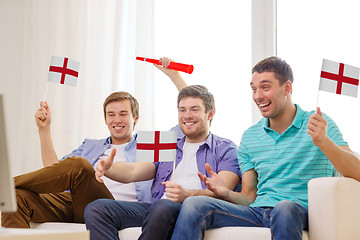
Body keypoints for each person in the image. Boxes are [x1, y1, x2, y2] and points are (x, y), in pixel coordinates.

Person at [170, 56, 360, 240]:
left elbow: (357, 172)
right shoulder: (250, 136)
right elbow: (249, 197)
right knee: (194, 204)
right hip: (258, 212)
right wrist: (225, 192)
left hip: (299, 211)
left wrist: (324, 142)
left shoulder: (319, 124)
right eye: (254, 89)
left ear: (287, 87)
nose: (258, 96)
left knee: (284, 207)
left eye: (265, 87)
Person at [1, 58, 187, 228]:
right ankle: (7, 191)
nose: (116, 120)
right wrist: (44, 130)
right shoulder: (92, 146)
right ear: (105, 119)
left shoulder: (149, 145)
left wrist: (175, 76)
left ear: (136, 118)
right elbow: (52, 171)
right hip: (76, 203)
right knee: (16, 199)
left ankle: (5, 186)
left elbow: (187, 121)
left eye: (123, 114)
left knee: (80, 166)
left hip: (116, 209)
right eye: (111, 115)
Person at [84, 83, 242, 240]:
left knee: (162, 206)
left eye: (195, 109)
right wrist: (108, 169)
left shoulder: (226, 148)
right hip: (157, 209)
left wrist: (188, 195)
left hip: (191, 211)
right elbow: (132, 171)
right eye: (182, 110)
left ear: (210, 114)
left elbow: (224, 192)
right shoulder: (169, 143)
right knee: (96, 208)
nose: (187, 115)